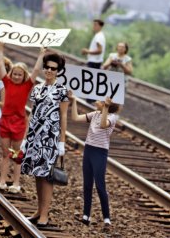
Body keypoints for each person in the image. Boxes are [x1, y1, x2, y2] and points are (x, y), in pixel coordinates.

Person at [21, 51, 69, 228]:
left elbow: (63, 116)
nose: (49, 71)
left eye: (53, 68)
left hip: (51, 138)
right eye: (47, 67)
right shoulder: (38, 89)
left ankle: (45, 214)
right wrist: (26, 137)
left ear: (58, 71)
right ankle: (38, 210)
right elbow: (32, 113)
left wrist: (62, 141)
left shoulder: (62, 91)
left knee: (47, 176)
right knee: (37, 174)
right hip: (35, 136)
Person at [0, 41, 45, 194]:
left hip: (18, 123)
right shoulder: (7, 82)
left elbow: (36, 70)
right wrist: (0, 49)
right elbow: (2, 67)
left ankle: (15, 183)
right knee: (5, 153)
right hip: (5, 121)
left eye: (19, 74)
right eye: (14, 74)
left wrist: (41, 54)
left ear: (24, 76)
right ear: (11, 74)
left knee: (16, 155)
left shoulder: (27, 85)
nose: (16, 76)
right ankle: (2, 181)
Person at [70, 93, 119, 231]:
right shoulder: (95, 114)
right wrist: (74, 101)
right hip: (89, 150)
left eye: (100, 99)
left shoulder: (112, 117)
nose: (96, 100)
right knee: (87, 184)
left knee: (100, 185)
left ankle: (107, 219)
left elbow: (103, 125)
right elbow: (75, 118)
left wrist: (107, 108)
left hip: (100, 152)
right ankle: (86, 215)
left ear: (106, 103)